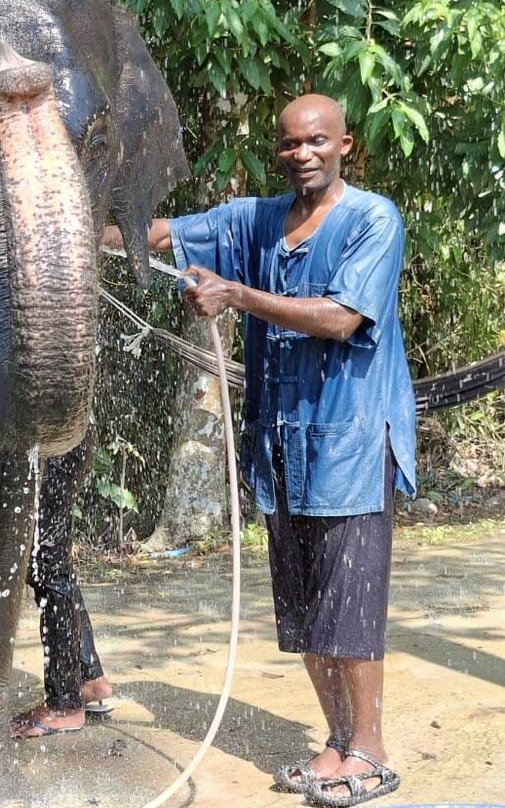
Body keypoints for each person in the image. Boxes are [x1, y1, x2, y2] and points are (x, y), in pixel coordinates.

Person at [104, 94, 415, 807]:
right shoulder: (255, 221)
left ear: (344, 146)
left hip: (353, 443)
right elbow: (154, 236)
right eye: (288, 144)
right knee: (307, 611)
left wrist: (236, 294)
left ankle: (370, 749)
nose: (300, 153)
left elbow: (341, 317)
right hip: (282, 450)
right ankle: (336, 742)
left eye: (315, 141)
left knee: (351, 608)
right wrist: (62, 229)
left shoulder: (373, 219)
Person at [11, 438, 114, 739]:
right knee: (46, 562)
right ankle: (88, 679)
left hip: (54, 442)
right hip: (58, 442)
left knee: (47, 563)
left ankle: (65, 705)